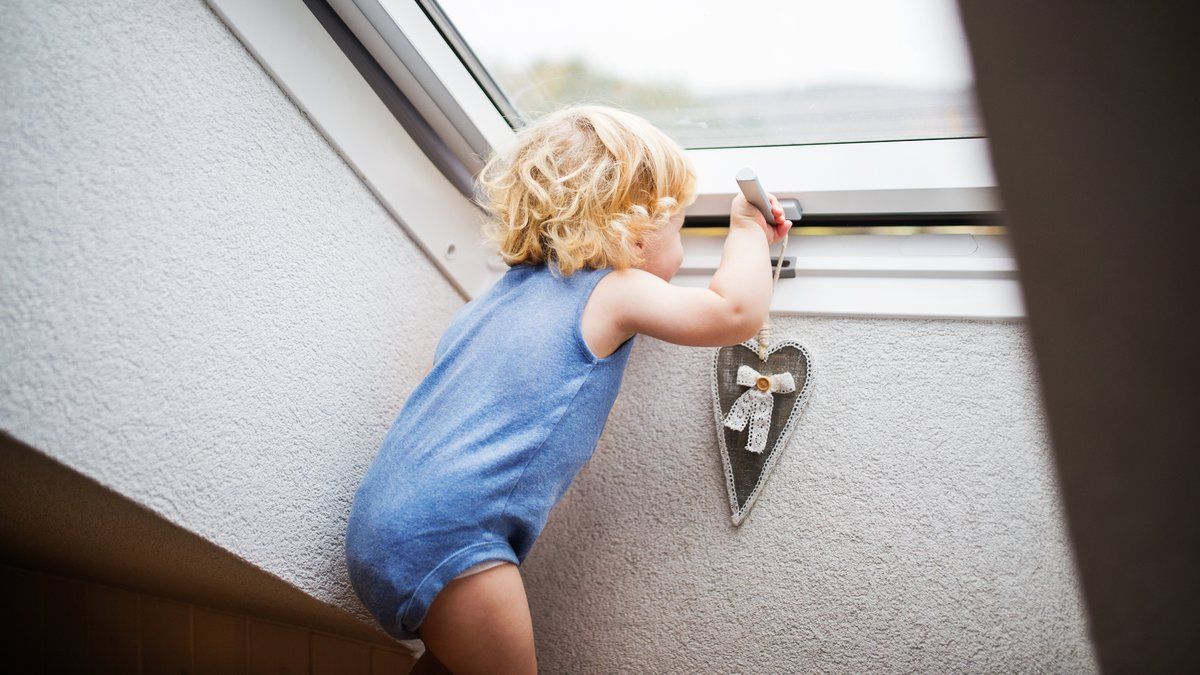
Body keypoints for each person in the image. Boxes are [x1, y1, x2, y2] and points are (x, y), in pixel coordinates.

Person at [344, 104, 792, 674]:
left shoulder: (500, 296)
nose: (680, 255)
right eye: (677, 228)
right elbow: (732, 311)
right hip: (457, 542)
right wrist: (748, 230)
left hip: (381, 523)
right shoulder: (613, 290)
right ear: (633, 229)